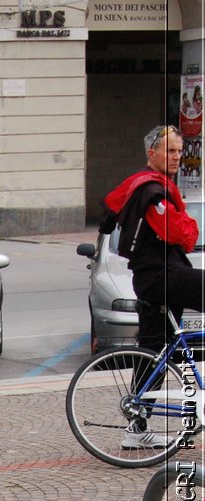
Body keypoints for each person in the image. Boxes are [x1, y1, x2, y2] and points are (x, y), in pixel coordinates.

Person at [100, 124, 202, 447]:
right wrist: (189, 225)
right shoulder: (151, 191)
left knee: (154, 351)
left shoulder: (145, 186)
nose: (176, 157)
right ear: (151, 154)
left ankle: (136, 429)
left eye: (178, 151)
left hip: (152, 280)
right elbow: (184, 236)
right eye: (169, 151)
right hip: (162, 277)